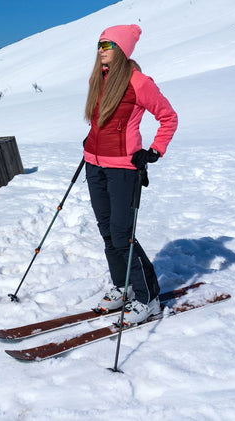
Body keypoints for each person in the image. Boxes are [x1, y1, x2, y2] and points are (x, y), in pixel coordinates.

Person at [83, 24, 178, 324]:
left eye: (107, 45)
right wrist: (91, 141)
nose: (101, 50)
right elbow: (101, 122)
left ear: (122, 49)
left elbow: (168, 117)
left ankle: (148, 298)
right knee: (107, 231)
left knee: (122, 234)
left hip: (123, 169)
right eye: (100, 44)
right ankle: (123, 287)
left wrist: (154, 151)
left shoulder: (138, 82)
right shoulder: (99, 79)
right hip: (94, 164)